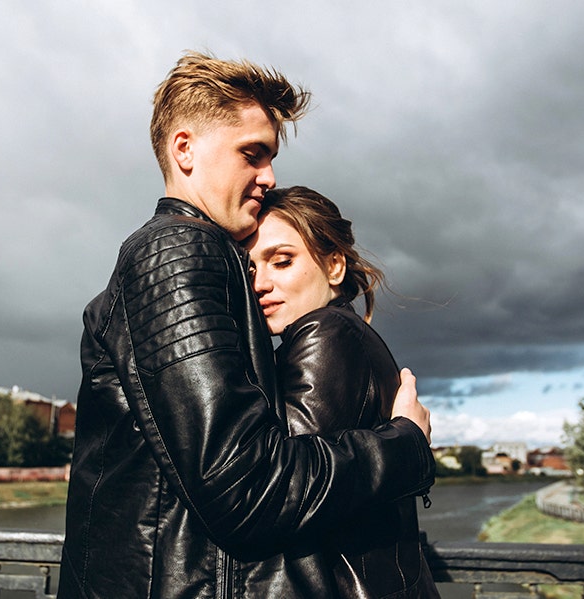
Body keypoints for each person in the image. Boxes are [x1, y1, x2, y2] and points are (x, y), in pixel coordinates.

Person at [57, 52, 436, 599]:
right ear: (184, 149)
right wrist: (406, 446)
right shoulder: (178, 250)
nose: (269, 177)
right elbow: (249, 488)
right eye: (251, 155)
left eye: (271, 157)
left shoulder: (202, 258)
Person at [246, 186, 441, 598]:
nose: (261, 283)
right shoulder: (343, 333)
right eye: (250, 270)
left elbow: (279, 486)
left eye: (282, 261)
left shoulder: (326, 333)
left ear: (334, 266)